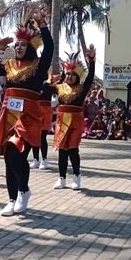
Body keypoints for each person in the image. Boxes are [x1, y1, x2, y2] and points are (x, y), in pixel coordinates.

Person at [0, 7, 53, 216]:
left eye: (23, 44)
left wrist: (43, 27)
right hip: (8, 116)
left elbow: (49, 49)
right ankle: (12, 200)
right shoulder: (8, 65)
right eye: (17, 44)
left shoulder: (38, 67)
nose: (19, 47)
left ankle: (24, 191)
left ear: (30, 47)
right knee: (8, 157)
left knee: (17, 154)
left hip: (28, 118)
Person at [44, 45, 95, 190]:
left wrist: (91, 61)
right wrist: (56, 79)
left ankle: (77, 177)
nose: (70, 76)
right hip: (61, 120)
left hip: (76, 121)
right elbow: (44, 87)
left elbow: (90, 77)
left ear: (77, 76)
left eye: (73, 74)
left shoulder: (81, 89)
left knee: (73, 149)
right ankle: (61, 178)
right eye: (68, 74)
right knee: (62, 150)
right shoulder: (59, 87)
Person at [30, 70, 60, 170]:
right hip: (35, 109)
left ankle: (44, 159)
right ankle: (35, 159)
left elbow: (58, 87)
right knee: (34, 136)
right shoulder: (32, 83)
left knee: (42, 136)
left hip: (46, 110)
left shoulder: (49, 84)